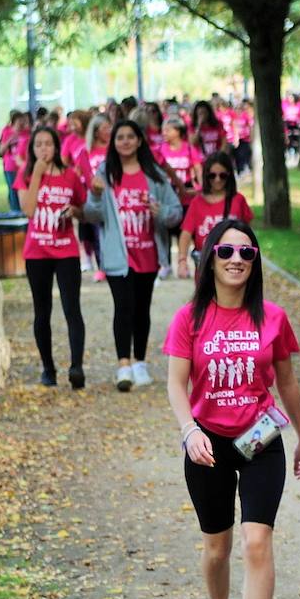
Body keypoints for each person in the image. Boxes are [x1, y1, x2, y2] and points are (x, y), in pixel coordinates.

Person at [164, 219, 300, 599]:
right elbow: (175, 383)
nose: (236, 261)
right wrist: (189, 431)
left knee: (256, 542)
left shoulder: (272, 317)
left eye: (246, 254)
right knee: (217, 548)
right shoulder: (191, 318)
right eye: (226, 252)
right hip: (208, 444)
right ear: (210, 258)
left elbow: (286, 382)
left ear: (256, 262)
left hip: (260, 440)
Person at [83, 119, 183, 391]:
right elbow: (92, 215)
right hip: (118, 255)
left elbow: (176, 214)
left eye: (130, 136)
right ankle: (123, 365)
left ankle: (140, 362)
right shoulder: (106, 174)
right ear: (113, 143)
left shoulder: (155, 176)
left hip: (148, 253)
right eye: (120, 137)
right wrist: (93, 194)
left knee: (142, 309)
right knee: (123, 307)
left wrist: (160, 212)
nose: (125, 141)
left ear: (139, 140)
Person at [17, 127, 88, 389]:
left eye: (48, 144)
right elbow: (29, 210)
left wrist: (75, 211)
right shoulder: (24, 175)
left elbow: (83, 209)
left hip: (66, 250)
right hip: (37, 252)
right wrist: (36, 173)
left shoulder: (70, 176)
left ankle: (76, 367)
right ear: (32, 149)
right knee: (42, 311)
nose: (44, 149)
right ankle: (48, 368)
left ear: (57, 147)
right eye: (38, 145)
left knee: (72, 308)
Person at [177, 152, 254, 279]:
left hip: (233, 265)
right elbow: (186, 233)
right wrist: (182, 261)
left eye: (222, 175)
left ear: (229, 175)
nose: (217, 180)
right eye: (212, 175)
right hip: (205, 267)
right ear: (206, 176)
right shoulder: (197, 202)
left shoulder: (238, 200)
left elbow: (248, 233)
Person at [159, 118, 200, 276]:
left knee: (186, 230)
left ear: (178, 131)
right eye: (164, 129)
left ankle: (184, 264)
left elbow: (197, 168)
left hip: (186, 196)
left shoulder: (189, 149)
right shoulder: (161, 150)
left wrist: (200, 187)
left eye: (168, 129)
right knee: (166, 230)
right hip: (167, 196)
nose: (165, 133)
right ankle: (166, 264)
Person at [81, 114, 113, 280]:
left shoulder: (114, 149)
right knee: (98, 233)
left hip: (113, 196)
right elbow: (86, 175)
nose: (109, 131)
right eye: (104, 128)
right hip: (95, 198)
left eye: (110, 127)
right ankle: (102, 266)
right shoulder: (86, 151)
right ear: (95, 131)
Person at [0, 110, 30, 213]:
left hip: (23, 167)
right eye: (19, 121)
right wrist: (9, 141)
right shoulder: (7, 131)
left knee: (23, 189)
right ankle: (15, 211)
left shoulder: (27, 133)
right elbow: (1, 150)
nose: (21, 124)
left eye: (23, 121)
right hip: (10, 166)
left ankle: (23, 210)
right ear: (14, 121)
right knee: (13, 190)